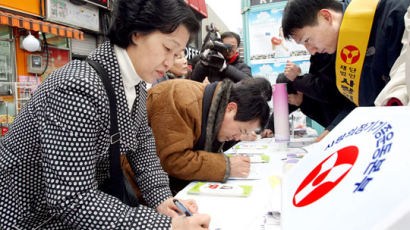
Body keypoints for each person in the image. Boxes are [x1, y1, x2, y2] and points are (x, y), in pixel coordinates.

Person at [0, 0, 211, 229]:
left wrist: (162, 199)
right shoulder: (77, 86)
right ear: (137, 33)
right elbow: (72, 199)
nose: (170, 62)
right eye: (167, 48)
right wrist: (166, 226)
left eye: (178, 53)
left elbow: (142, 146)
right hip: (25, 218)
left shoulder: (135, 84)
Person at [281, 0, 409, 140]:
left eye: (307, 40)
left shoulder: (394, 13)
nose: (311, 51)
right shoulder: (340, 46)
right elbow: (361, 98)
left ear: (326, 17)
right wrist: (335, 128)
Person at [146, 78, 270, 194]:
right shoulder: (180, 99)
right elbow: (173, 160)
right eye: (241, 130)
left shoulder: (211, 107)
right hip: (141, 195)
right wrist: (225, 166)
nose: (238, 138)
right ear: (231, 108)